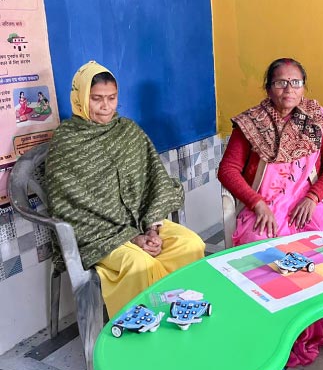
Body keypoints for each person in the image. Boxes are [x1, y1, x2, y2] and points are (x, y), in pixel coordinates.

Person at [218, 57, 323, 367]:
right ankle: (269, 326)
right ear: (268, 88)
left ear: (304, 87)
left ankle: (310, 326)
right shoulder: (250, 124)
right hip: (265, 206)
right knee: (259, 246)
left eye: (295, 82)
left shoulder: (315, 118)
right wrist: (256, 202)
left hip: (304, 203)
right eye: (280, 82)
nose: (288, 89)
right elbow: (228, 170)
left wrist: (314, 197)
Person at [45, 61, 205, 317]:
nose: (106, 106)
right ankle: (142, 333)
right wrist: (130, 238)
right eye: (96, 99)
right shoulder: (66, 143)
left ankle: (181, 313)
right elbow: (69, 209)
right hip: (99, 236)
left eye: (112, 97)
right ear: (80, 98)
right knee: (138, 263)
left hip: (142, 223)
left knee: (191, 244)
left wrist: (152, 228)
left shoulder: (128, 131)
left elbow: (156, 181)